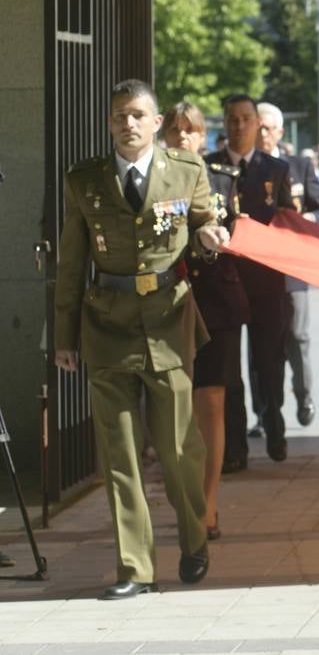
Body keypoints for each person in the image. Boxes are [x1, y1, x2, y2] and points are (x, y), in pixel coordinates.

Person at [53, 79, 225, 599]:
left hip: (169, 324)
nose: (126, 124)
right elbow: (71, 263)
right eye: (117, 116)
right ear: (109, 124)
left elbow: (203, 224)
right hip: (107, 325)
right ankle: (135, 569)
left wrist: (210, 236)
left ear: (156, 123)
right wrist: (64, 336)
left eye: (135, 115)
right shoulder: (85, 181)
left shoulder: (187, 170)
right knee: (119, 455)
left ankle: (194, 539)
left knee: (178, 451)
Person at [163, 102, 247, 542]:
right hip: (169, 302)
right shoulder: (152, 180)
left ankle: (209, 502)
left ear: (202, 137)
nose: (182, 138)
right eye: (174, 130)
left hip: (216, 302)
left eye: (190, 131)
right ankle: (185, 495)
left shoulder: (223, 180)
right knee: (176, 406)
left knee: (212, 402)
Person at [207, 94, 296, 465]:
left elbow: (289, 221)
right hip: (223, 283)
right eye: (232, 119)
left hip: (265, 284)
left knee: (268, 363)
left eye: (245, 119)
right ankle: (235, 449)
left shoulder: (275, 169)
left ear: (258, 123)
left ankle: (274, 425)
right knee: (227, 370)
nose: (239, 126)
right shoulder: (207, 167)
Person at [258, 103, 319, 429]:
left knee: (297, 337)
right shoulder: (244, 170)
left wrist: (306, 220)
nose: (262, 134)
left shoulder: (300, 166)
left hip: (292, 270)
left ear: (279, 132)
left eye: (267, 128)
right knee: (260, 344)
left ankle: (304, 394)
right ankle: (264, 412)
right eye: (257, 128)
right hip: (258, 270)